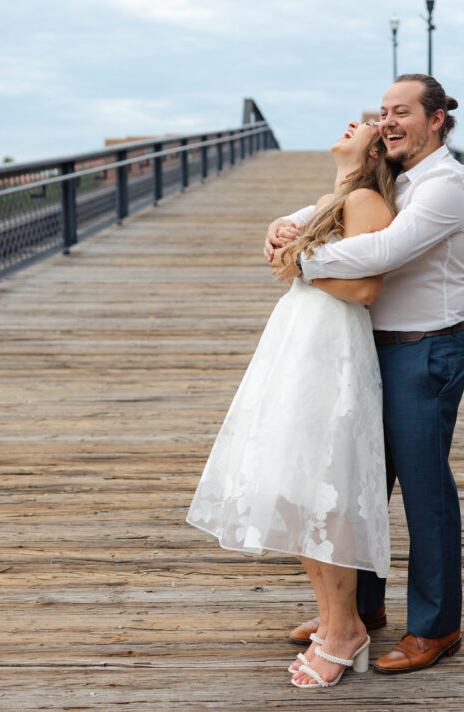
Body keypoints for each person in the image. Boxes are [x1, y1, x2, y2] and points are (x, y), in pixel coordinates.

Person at [268, 73, 464, 674]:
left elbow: (382, 252)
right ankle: (359, 611)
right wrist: (283, 225)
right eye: (383, 111)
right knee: (359, 480)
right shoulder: (394, 175)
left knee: (424, 490)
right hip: (372, 350)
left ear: (436, 119)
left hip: (425, 352)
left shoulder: (445, 186)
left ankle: (437, 627)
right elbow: (329, 207)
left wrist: (301, 256)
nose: (388, 121)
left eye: (402, 111)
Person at [187, 121, 398, 689]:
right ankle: (336, 619)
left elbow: (365, 289)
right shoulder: (335, 198)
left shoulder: (365, 200)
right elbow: (302, 251)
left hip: (329, 350)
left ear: (375, 150)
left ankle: (344, 629)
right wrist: (284, 237)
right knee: (293, 484)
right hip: (300, 343)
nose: (353, 124)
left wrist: (299, 265)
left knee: (321, 489)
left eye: (367, 124)